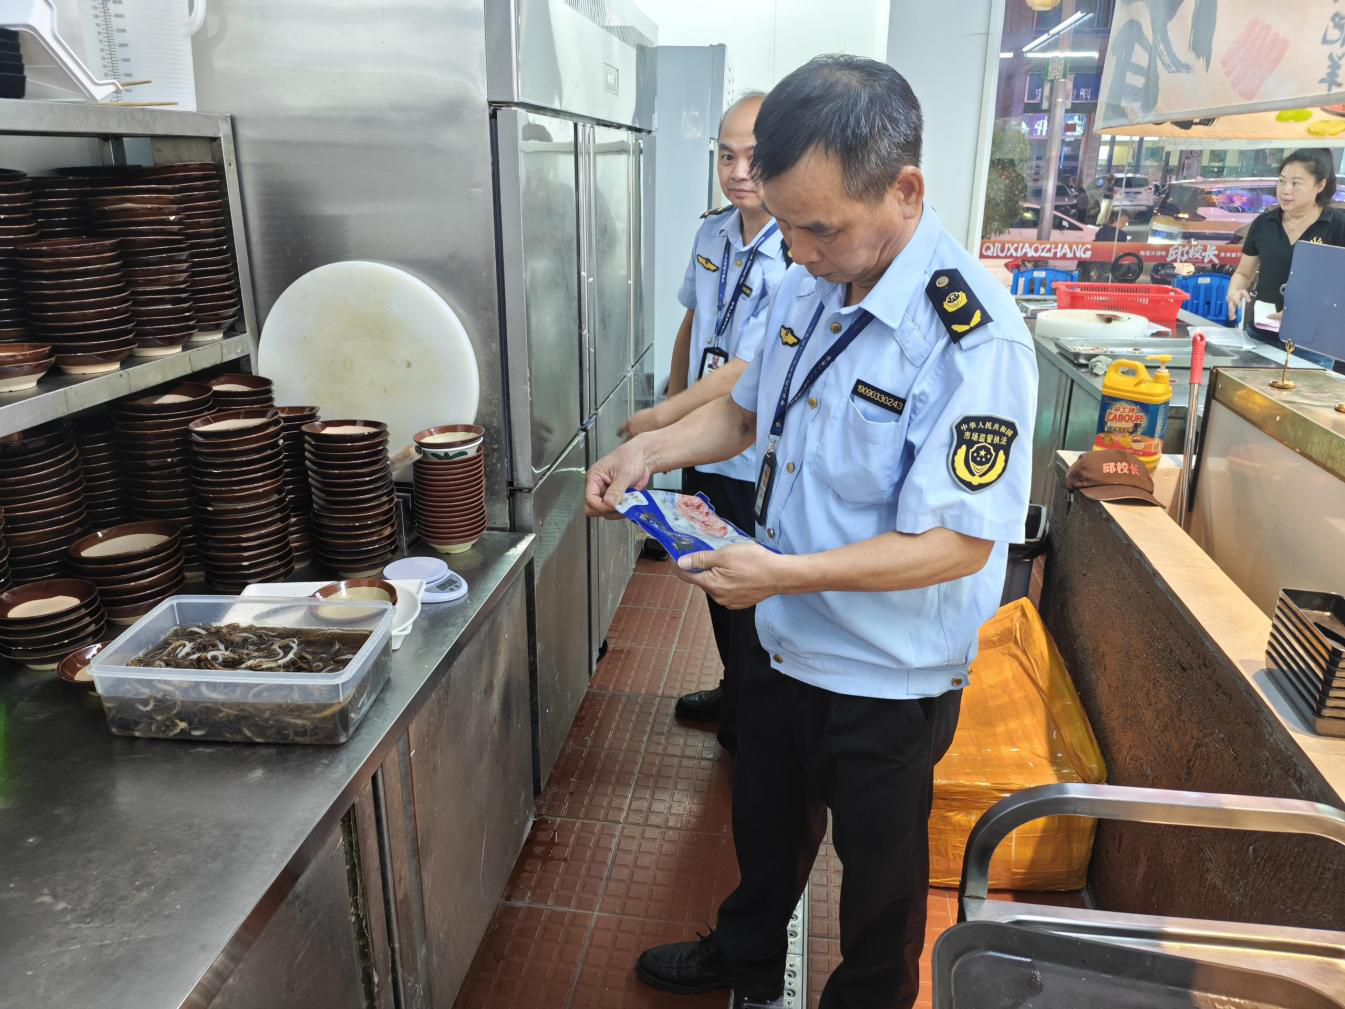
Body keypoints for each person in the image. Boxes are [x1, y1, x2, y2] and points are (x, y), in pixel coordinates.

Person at [587, 55, 1037, 1009]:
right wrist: (649, 451)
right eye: (786, 224)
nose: (794, 250)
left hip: (884, 670)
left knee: (878, 878)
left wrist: (780, 574)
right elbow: (744, 412)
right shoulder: (809, 280)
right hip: (783, 633)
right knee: (765, 817)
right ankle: (745, 953)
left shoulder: (971, 339)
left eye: (818, 227)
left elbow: (958, 544)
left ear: (904, 190)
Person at [621, 92, 788, 752]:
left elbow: (746, 369)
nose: (738, 171)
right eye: (726, 156)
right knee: (706, 570)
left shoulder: (798, 253)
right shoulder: (712, 232)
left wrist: (663, 418)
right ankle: (732, 686)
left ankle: (753, 717)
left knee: (750, 589)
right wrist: (671, 400)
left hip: (750, 451)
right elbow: (693, 323)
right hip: (702, 444)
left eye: (754, 157)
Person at [1227, 149, 1345, 360]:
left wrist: (1302, 310)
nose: (1285, 190)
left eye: (1296, 183)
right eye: (1282, 181)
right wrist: (1235, 290)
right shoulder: (1264, 224)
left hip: (1311, 344)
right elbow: (1244, 273)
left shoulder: (1337, 225)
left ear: (1320, 185)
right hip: (1260, 336)